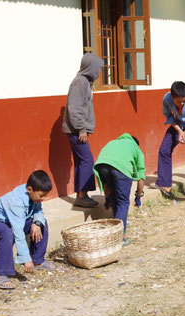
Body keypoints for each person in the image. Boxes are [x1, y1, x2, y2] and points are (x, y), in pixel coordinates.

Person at [0, 171, 56, 290]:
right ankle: (1, 275)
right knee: (7, 233)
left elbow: (38, 212)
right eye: (42, 195)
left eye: (45, 195)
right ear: (30, 189)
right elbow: (18, 231)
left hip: (12, 221)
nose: (44, 198)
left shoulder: (33, 196)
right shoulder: (16, 201)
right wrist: (26, 259)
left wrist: (36, 223)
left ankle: (38, 260)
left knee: (41, 223)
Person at [62, 53, 105, 208]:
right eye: (98, 69)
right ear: (90, 67)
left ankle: (81, 195)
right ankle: (82, 195)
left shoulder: (85, 82)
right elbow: (74, 109)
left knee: (82, 161)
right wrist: (81, 129)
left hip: (77, 130)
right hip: (76, 131)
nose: (99, 72)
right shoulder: (80, 83)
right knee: (87, 160)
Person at [93, 133, 145, 242]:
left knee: (115, 197)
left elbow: (106, 185)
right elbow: (140, 179)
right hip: (121, 169)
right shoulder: (136, 148)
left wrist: (108, 199)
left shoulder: (113, 142)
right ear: (136, 143)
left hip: (101, 165)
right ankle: (119, 238)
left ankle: (117, 228)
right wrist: (138, 197)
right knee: (123, 201)